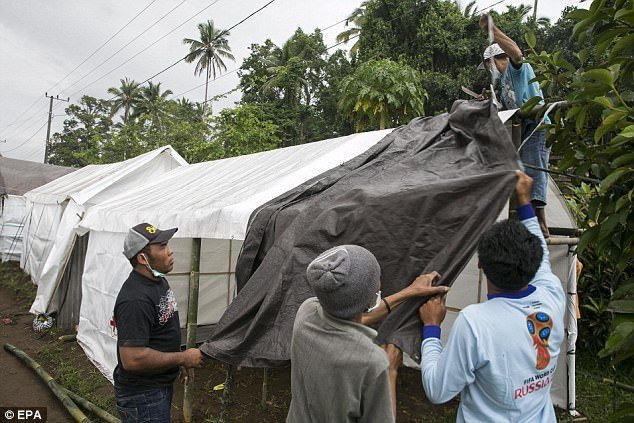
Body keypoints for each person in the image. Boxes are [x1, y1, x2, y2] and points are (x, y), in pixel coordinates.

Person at [418, 171, 565, 422]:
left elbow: (438, 390)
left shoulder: (476, 322)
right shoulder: (552, 296)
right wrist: (525, 200)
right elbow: (541, 261)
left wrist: (431, 329)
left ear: (480, 265)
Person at [287, 245, 447, 422]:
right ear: (372, 295)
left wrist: (409, 292)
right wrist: (391, 371)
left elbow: (349, 316)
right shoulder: (371, 362)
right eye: (377, 278)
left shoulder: (306, 313)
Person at [113, 223, 202, 423]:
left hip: (156, 388)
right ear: (143, 258)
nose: (170, 251)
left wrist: (176, 361)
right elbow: (132, 358)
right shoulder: (134, 300)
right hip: (143, 397)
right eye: (162, 247)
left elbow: (160, 331)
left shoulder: (157, 280)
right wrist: (181, 358)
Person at [479, 13, 551, 237]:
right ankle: (527, 218)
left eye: (487, 64)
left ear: (494, 60)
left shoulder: (516, 69)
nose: (488, 69)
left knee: (534, 168)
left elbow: (517, 53)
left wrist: (493, 30)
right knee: (520, 172)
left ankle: (541, 223)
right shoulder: (501, 84)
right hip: (522, 131)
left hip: (537, 127)